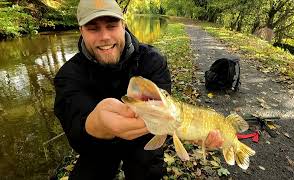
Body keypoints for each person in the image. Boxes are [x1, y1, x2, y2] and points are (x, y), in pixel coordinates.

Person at [54, 0, 223, 179]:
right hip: (96, 145)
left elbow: (167, 117)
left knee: (147, 169)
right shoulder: (68, 75)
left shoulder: (152, 61)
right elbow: (74, 125)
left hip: (144, 140)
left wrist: (195, 132)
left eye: (112, 26)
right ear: (81, 31)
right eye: (93, 28)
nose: (104, 36)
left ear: (123, 24)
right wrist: (96, 124)